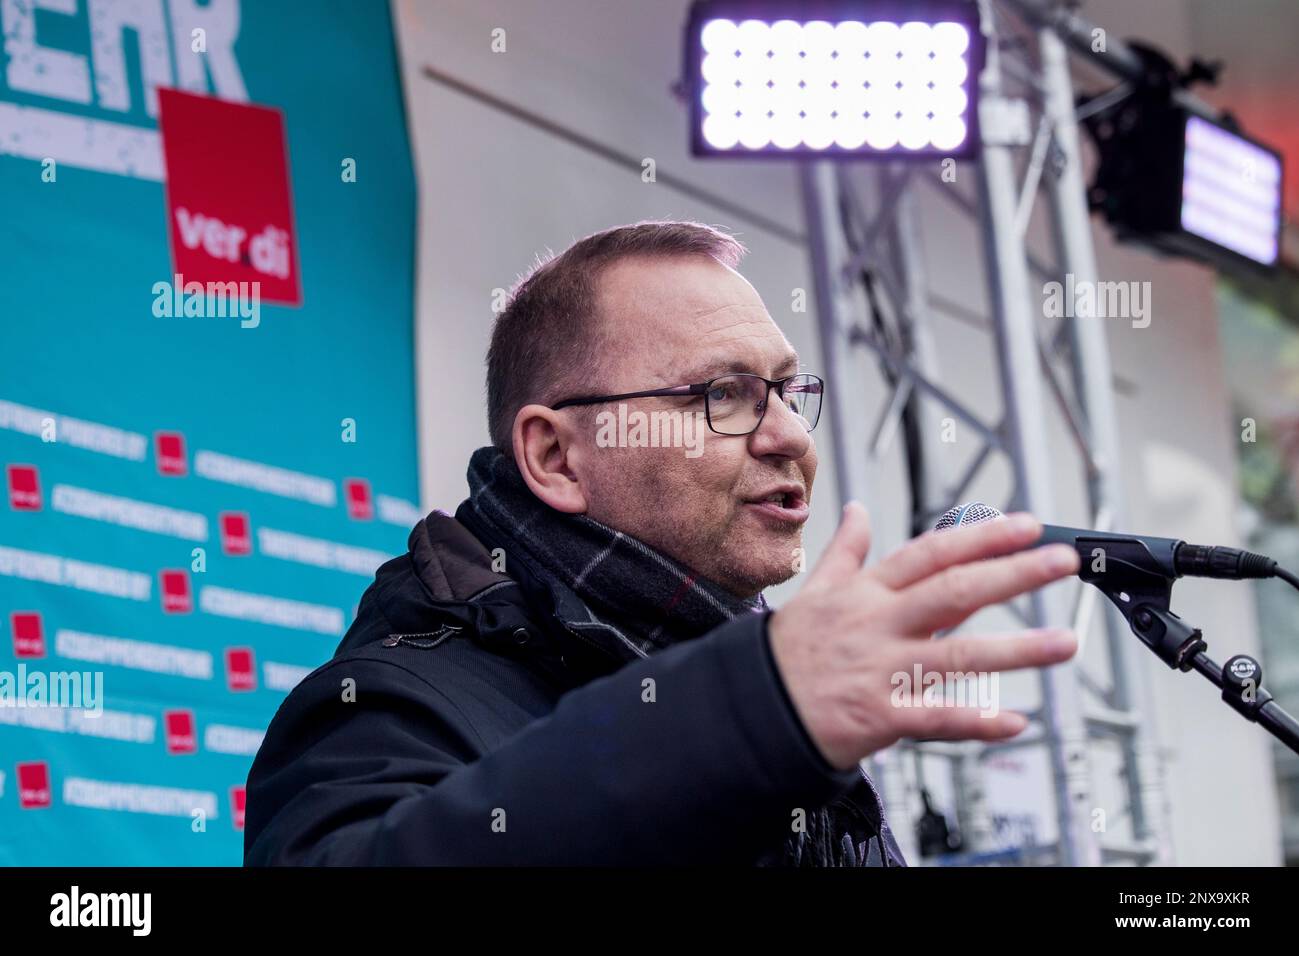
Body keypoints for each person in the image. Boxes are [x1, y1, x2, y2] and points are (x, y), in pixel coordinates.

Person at [243, 220, 1079, 866]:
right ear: (555, 456)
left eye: (788, 391)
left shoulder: (767, 700)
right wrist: (755, 710)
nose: (791, 435)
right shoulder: (386, 705)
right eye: (724, 394)